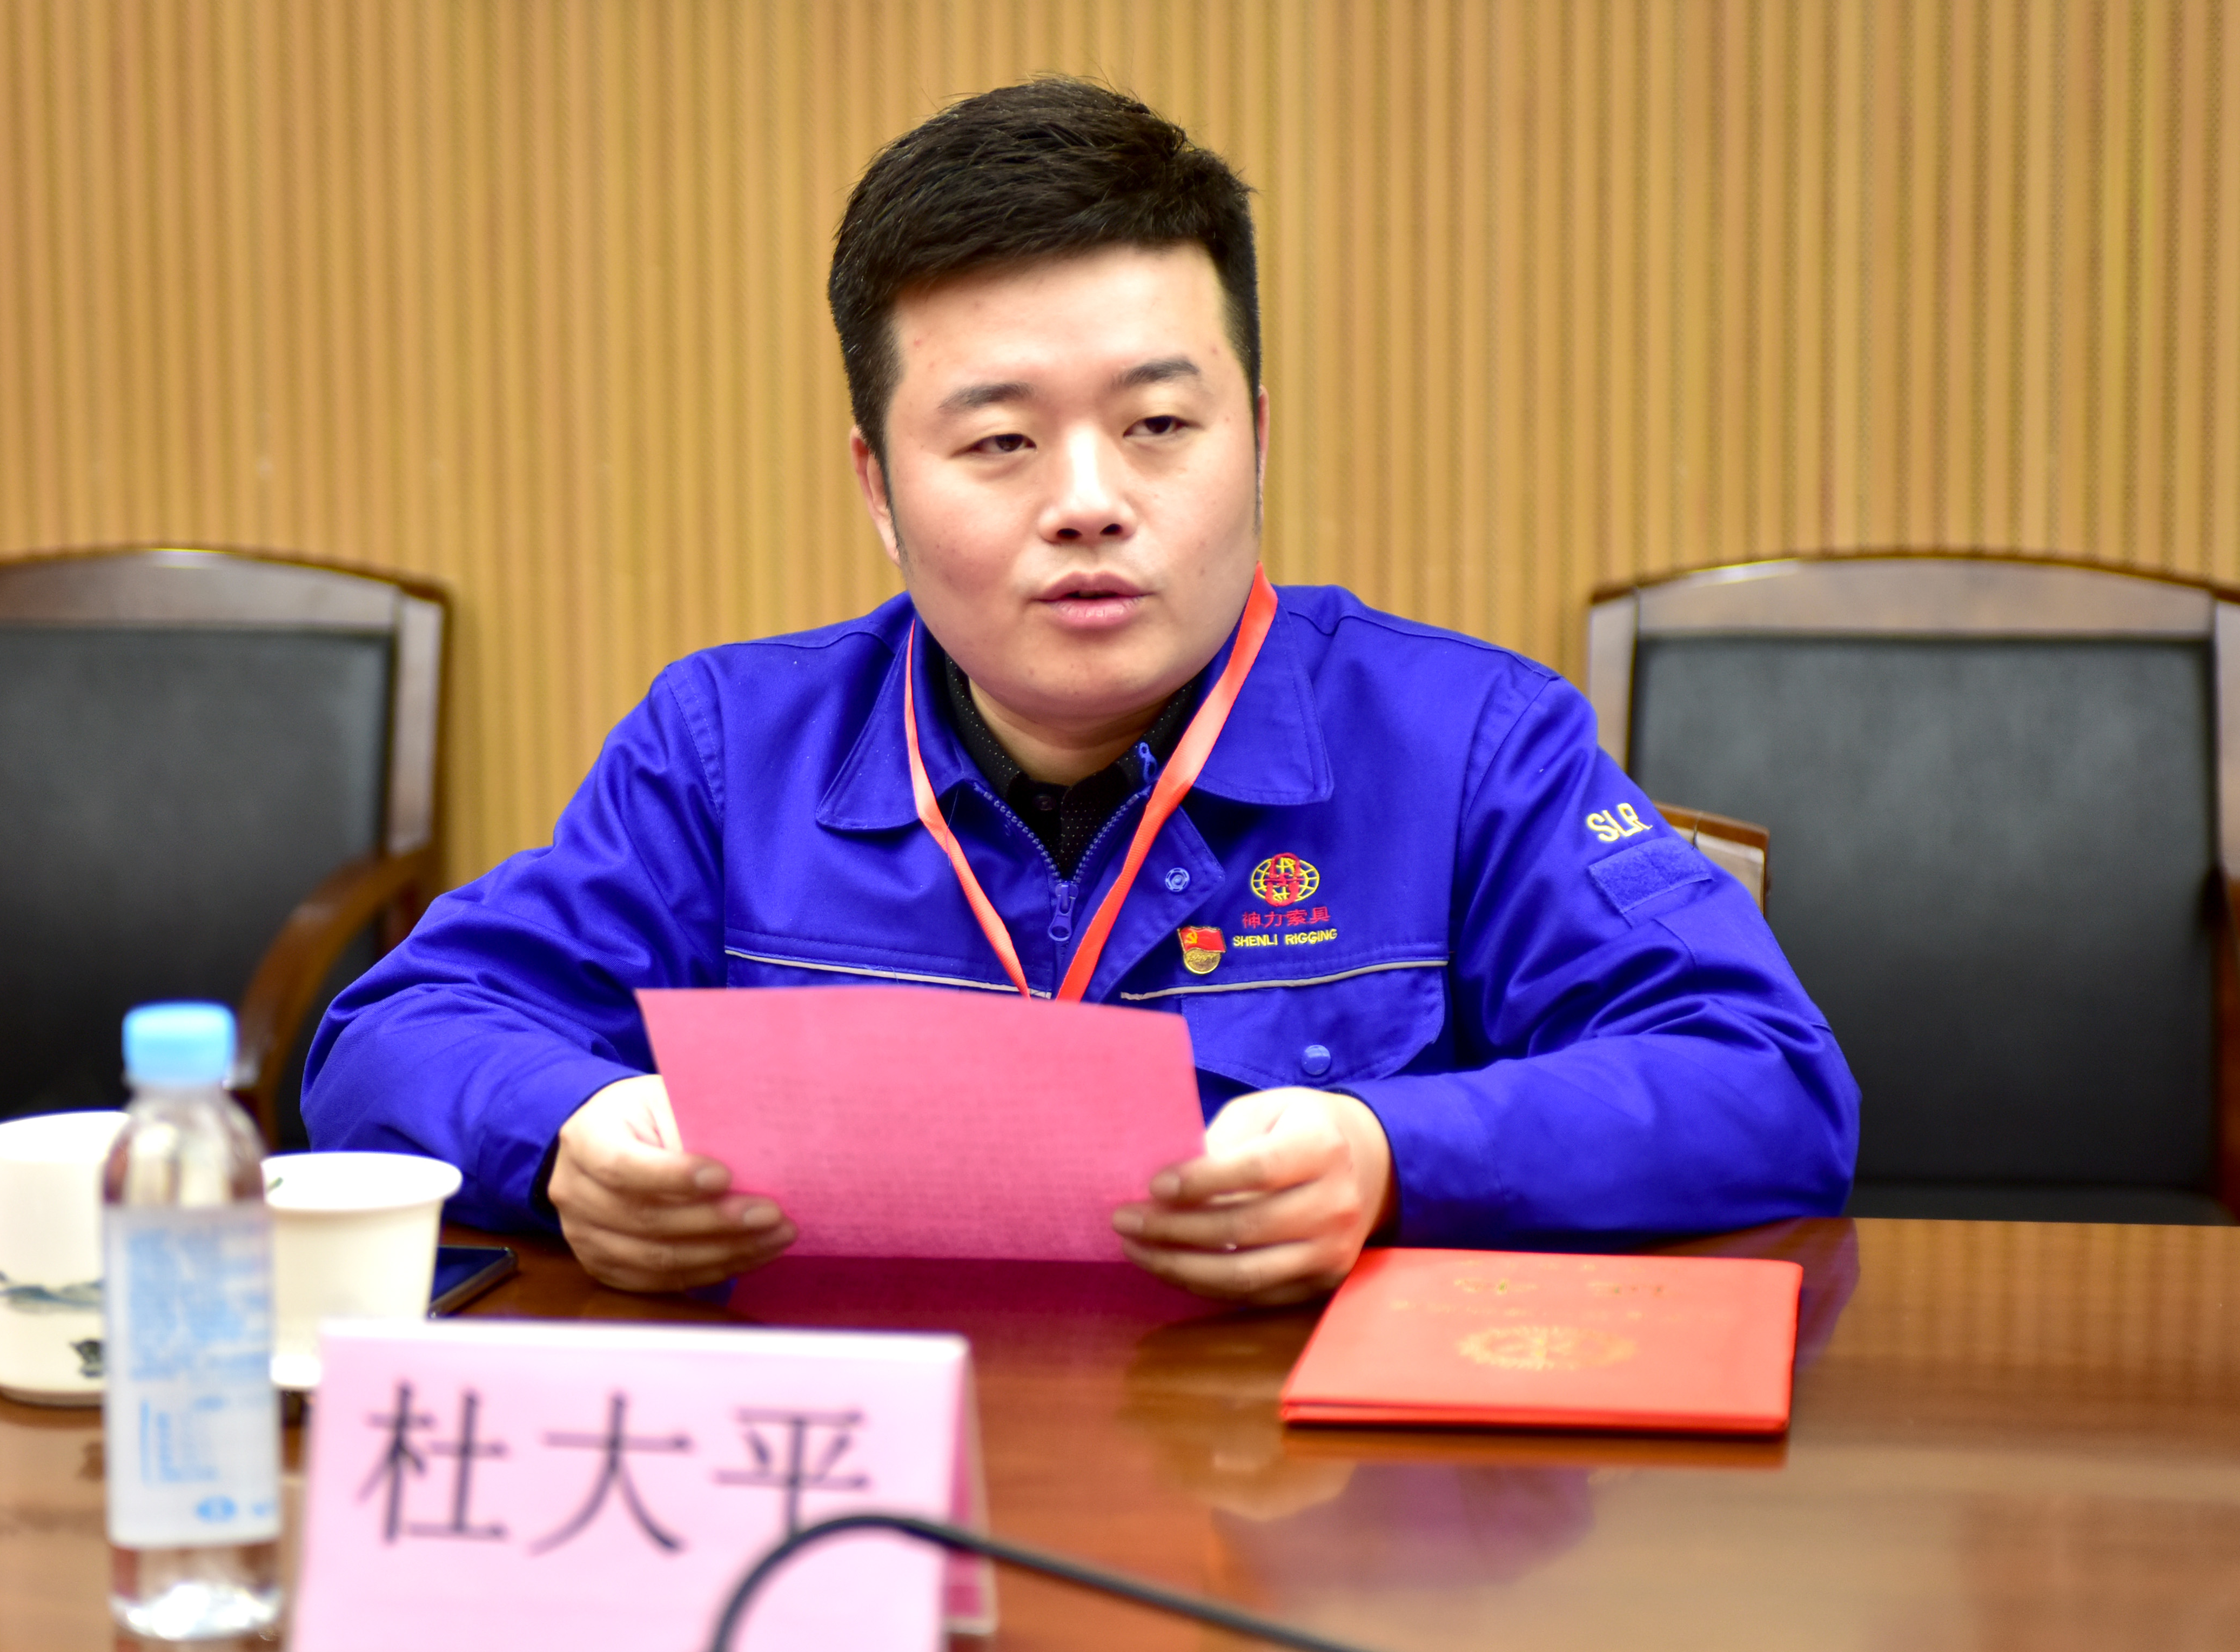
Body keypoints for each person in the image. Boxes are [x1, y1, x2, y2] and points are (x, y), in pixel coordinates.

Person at [303, 78, 1858, 1305]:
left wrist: (1391, 1152)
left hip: (1301, 1514)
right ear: (877, 484)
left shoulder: (1468, 745)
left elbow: (1765, 1080)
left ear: (1257, 434)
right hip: (863, 1495)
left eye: (1158, 425)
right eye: (999, 441)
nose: (1090, 502)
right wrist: (569, 1137)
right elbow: (391, 1036)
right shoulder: (726, 752)